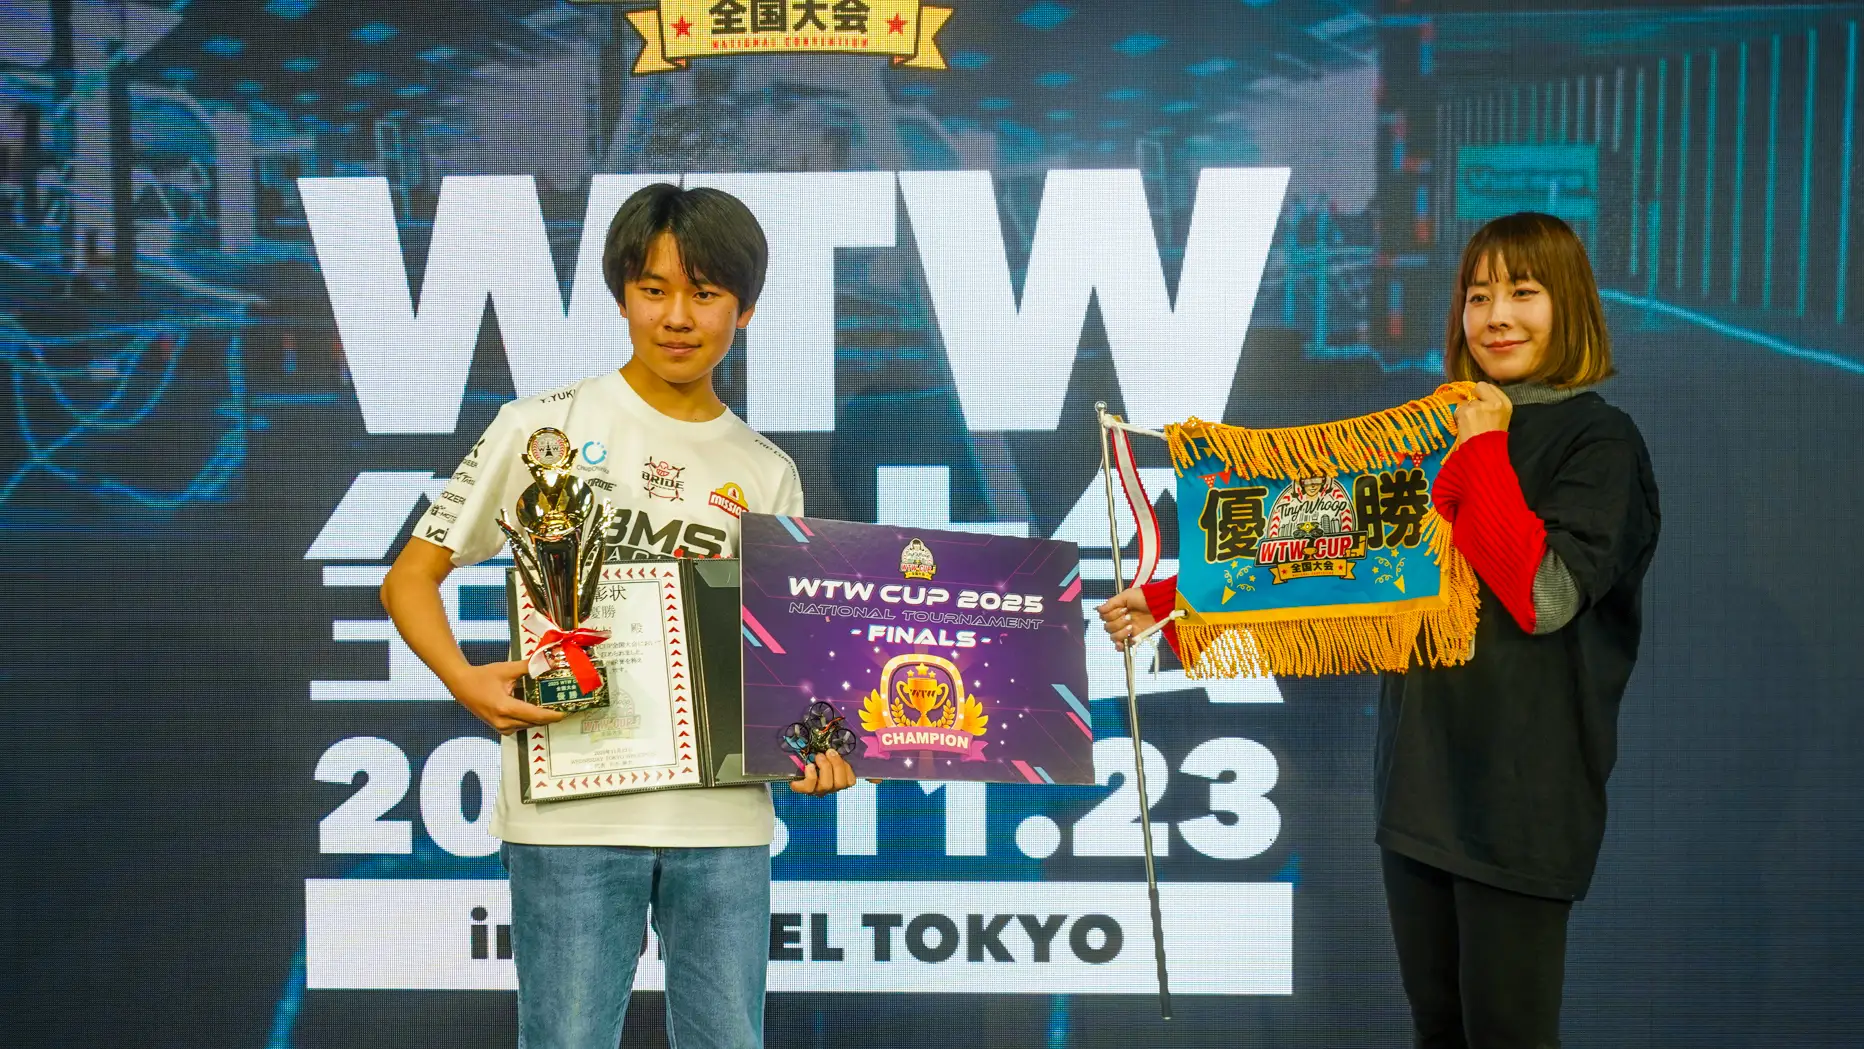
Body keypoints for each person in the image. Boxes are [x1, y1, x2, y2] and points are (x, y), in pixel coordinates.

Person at [1098, 212, 1660, 1048]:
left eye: (1523, 292)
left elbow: (1541, 595)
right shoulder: (1436, 432)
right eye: (1478, 296)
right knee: (1438, 1029)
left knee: (1508, 1034)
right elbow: (1331, 550)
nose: (1496, 316)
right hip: (1421, 784)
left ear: (1569, 305)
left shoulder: (1598, 439)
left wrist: (1482, 450)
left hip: (1521, 796)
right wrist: (1177, 600)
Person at [380, 183, 857, 1049]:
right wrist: (465, 680)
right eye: (653, 289)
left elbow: (782, 660)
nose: (677, 316)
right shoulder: (541, 428)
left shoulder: (766, 470)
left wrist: (817, 745)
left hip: (722, 817)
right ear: (622, 295)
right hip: (573, 811)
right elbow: (410, 578)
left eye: (704, 293)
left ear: (745, 310)